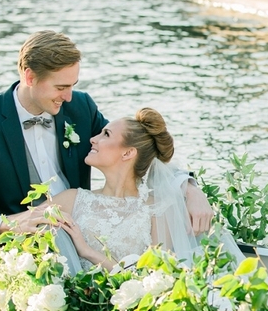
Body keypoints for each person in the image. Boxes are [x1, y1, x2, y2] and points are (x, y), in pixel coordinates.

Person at [0, 30, 213, 240]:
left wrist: (189, 188)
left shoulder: (80, 107)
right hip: (25, 245)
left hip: (83, 230)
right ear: (29, 77)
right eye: (61, 87)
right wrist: (12, 223)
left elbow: (131, 151)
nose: (69, 96)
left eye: (73, 85)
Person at [48, 108, 203, 271]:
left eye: (106, 134)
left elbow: (151, 279)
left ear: (128, 153)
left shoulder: (158, 211)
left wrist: (87, 252)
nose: (93, 139)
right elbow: (21, 224)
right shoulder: (71, 199)